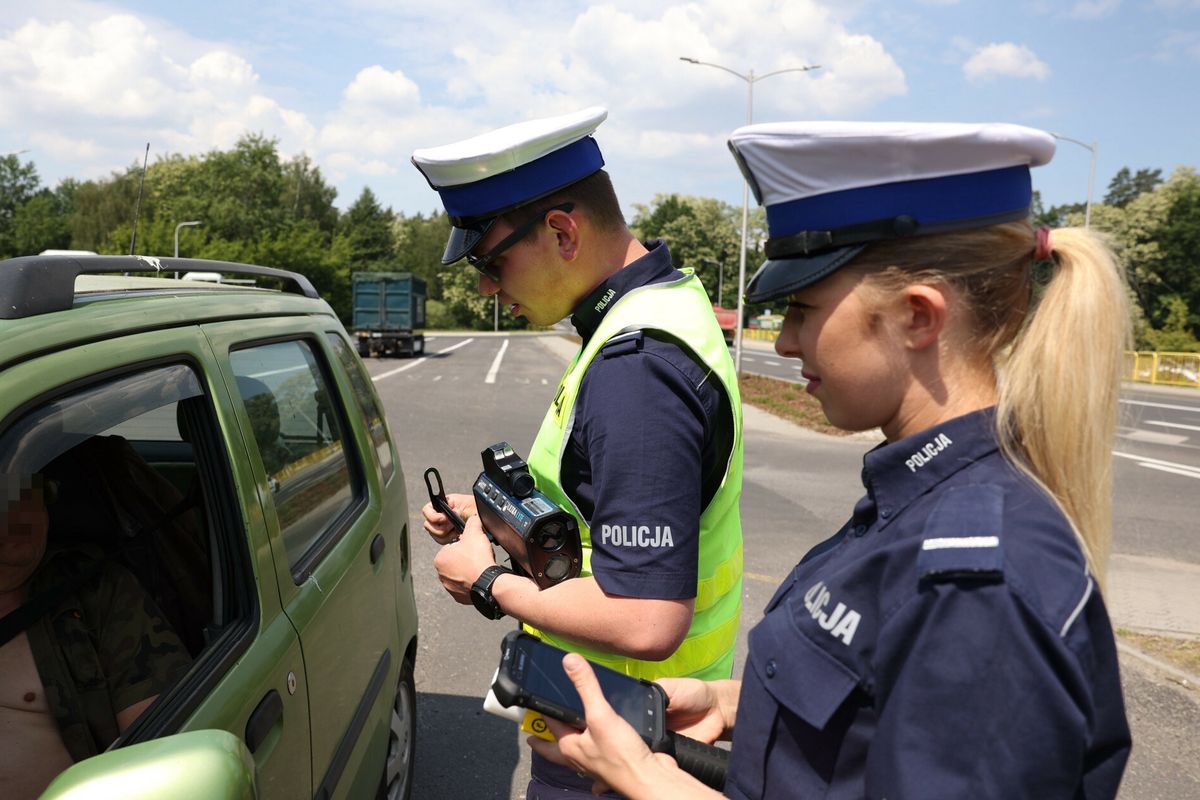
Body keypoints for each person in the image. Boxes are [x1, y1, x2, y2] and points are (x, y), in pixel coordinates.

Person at [530, 121, 1133, 799]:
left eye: (803, 308)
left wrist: (646, 780)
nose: (785, 343)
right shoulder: (918, 503)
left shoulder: (977, 581)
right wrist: (738, 707)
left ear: (916, 317)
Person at [411, 107, 745, 798]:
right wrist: (502, 522)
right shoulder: (658, 305)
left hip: (619, 750)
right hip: (626, 732)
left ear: (562, 230)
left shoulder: (636, 366)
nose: (484, 286)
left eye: (490, 260)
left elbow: (648, 617)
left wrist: (487, 581)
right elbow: (602, 506)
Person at [0, 472, 191, 799]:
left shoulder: (97, 591)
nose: (21, 514)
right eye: (5, 499)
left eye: (31, 494)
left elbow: (161, 753)